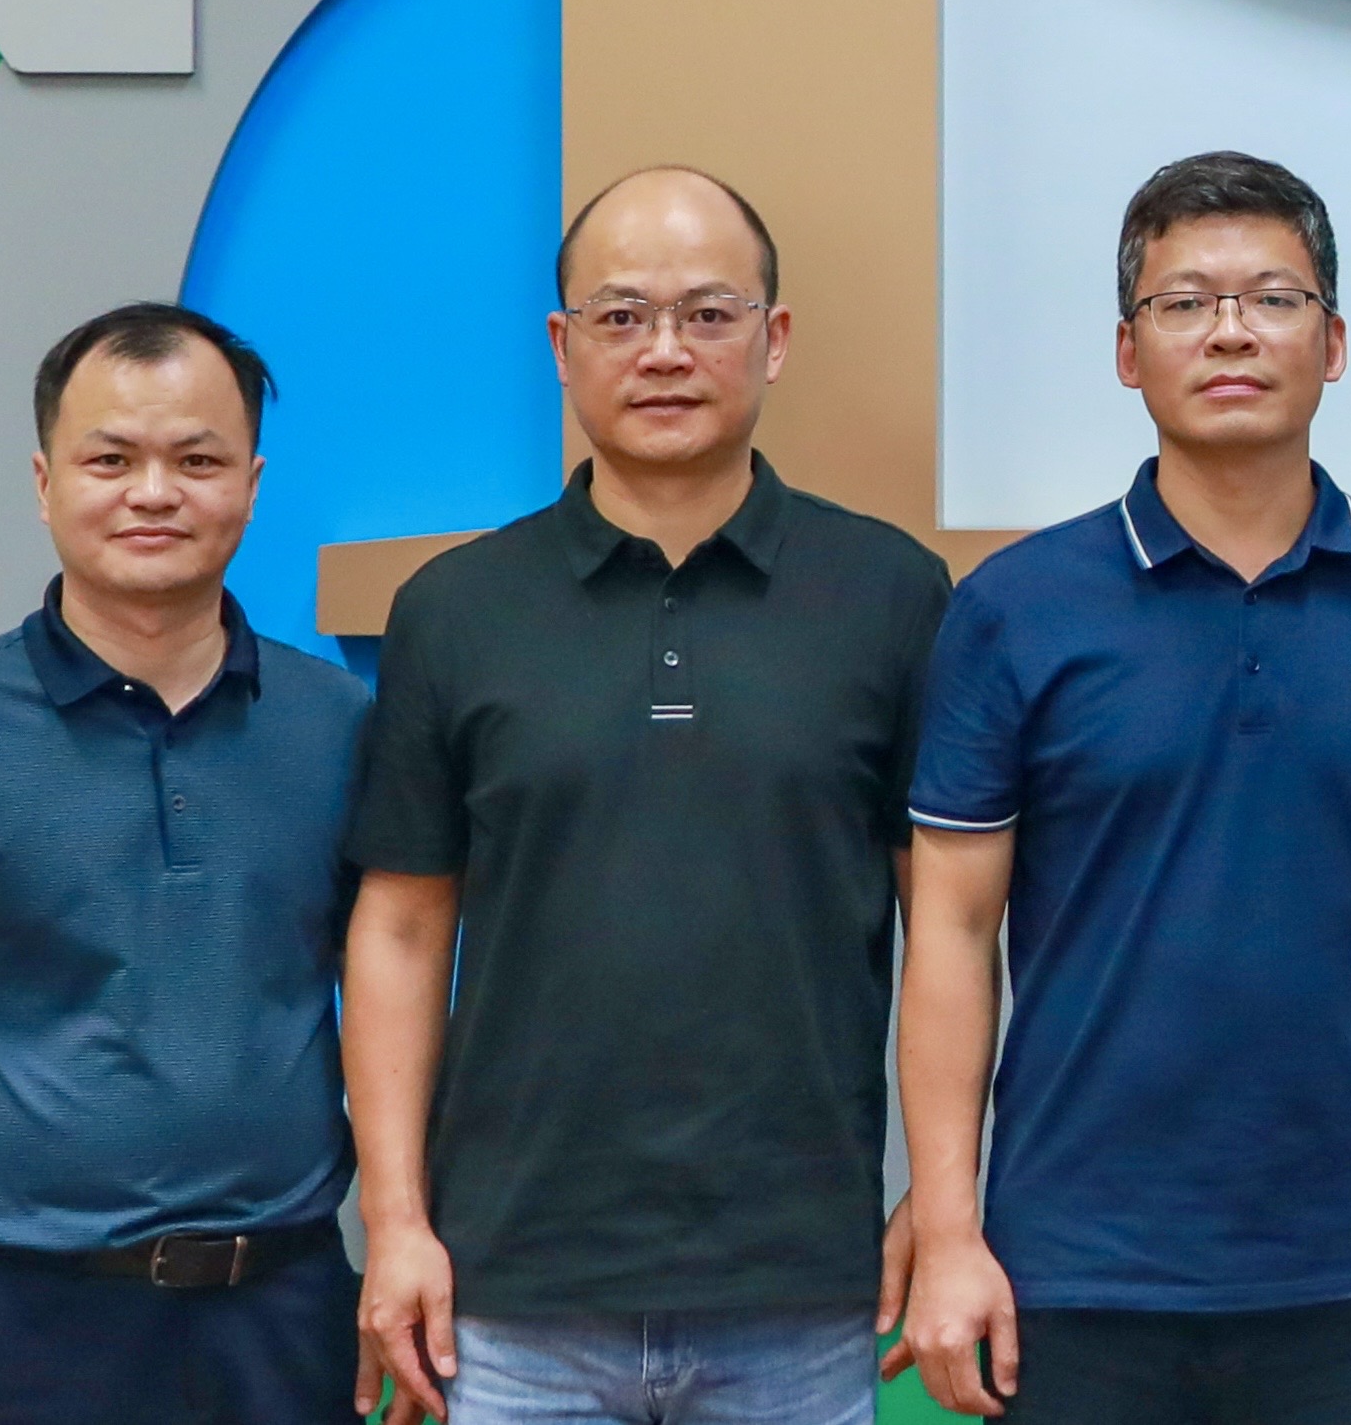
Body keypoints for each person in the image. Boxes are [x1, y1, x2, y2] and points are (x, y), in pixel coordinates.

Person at [888, 151, 1351, 1422]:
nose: (1230, 330)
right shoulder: (1015, 606)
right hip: (1072, 1266)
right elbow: (949, 928)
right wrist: (949, 1229)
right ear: (1128, 351)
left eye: (1273, 298)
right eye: (1184, 301)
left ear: (1332, 342)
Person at [341, 168, 952, 1422]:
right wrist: (395, 1221)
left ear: (774, 338)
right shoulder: (455, 608)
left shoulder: (891, 594)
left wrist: (947, 1204)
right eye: (620, 316)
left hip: (797, 1291)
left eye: (708, 313)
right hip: (512, 1297)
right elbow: (398, 930)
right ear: (561, 345)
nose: (664, 350)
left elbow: (948, 926)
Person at [0, 304, 370, 1423]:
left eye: (196, 461)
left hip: (287, 1306)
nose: (153, 493)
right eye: (110, 460)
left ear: (252, 483)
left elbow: (389, 993)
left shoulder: (336, 723)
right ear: (44, 480)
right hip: (27, 1319)